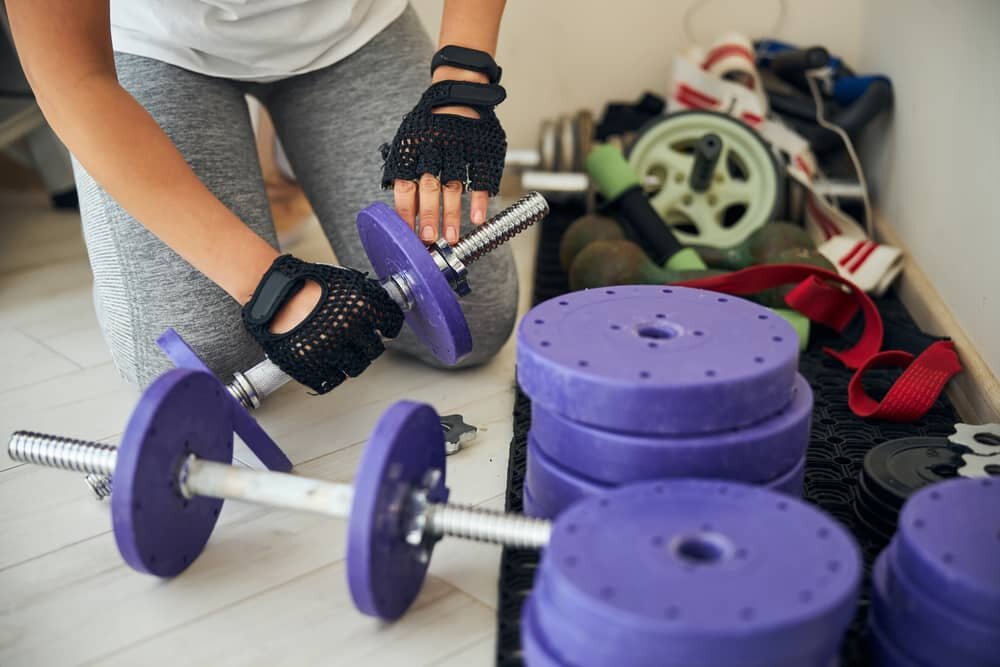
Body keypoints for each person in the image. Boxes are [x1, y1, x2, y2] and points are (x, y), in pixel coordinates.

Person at [6, 0, 515, 393]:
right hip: (156, 43)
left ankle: (297, 151)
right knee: (202, 359)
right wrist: (266, 284)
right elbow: (71, 78)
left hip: (348, 28)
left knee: (471, 312)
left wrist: (462, 83)